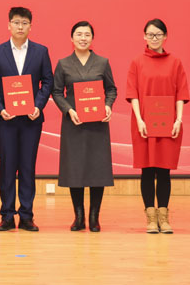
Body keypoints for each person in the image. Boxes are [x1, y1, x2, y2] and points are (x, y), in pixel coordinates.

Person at [0, 7, 53, 232]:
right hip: (6, 120)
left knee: (27, 167)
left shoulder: (41, 51)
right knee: (6, 166)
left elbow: (48, 81)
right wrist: (0, 109)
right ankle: (7, 215)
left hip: (31, 120)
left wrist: (38, 105)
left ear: (30, 26)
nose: (20, 27)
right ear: (9, 25)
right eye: (16, 22)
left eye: (24, 23)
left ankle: (26, 215)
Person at [52, 21, 117, 232]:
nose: (83, 38)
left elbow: (111, 89)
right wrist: (68, 110)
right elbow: (56, 92)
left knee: (97, 168)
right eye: (79, 34)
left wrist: (108, 106)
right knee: (75, 168)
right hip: (74, 123)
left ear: (92, 38)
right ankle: (78, 216)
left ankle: (94, 217)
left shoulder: (102, 62)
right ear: (71, 38)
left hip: (97, 124)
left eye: (87, 34)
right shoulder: (63, 64)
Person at [125, 18, 188, 234]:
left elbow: (181, 93)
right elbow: (133, 93)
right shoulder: (137, 62)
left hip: (168, 124)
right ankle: (151, 218)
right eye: (150, 34)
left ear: (165, 36)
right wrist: (139, 119)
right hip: (143, 124)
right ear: (144, 36)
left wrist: (179, 120)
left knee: (163, 171)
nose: (154, 38)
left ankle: (164, 217)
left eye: (158, 34)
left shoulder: (175, 62)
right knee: (147, 170)